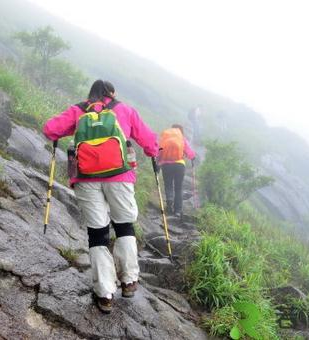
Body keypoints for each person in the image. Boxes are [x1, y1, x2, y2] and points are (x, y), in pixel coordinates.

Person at [43, 80, 158, 314]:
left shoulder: (79, 110)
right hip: (120, 176)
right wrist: (154, 152)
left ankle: (105, 293)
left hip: (86, 178)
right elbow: (149, 141)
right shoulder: (124, 109)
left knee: (97, 233)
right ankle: (128, 280)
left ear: (91, 94)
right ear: (111, 93)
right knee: (125, 226)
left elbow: (50, 129)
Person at [158, 124, 196, 218]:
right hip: (179, 165)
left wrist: (157, 164)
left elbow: (159, 150)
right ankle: (178, 211)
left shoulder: (165, 138)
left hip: (166, 165)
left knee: (168, 185)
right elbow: (189, 152)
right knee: (178, 188)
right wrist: (193, 157)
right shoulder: (182, 139)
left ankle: (170, 201)